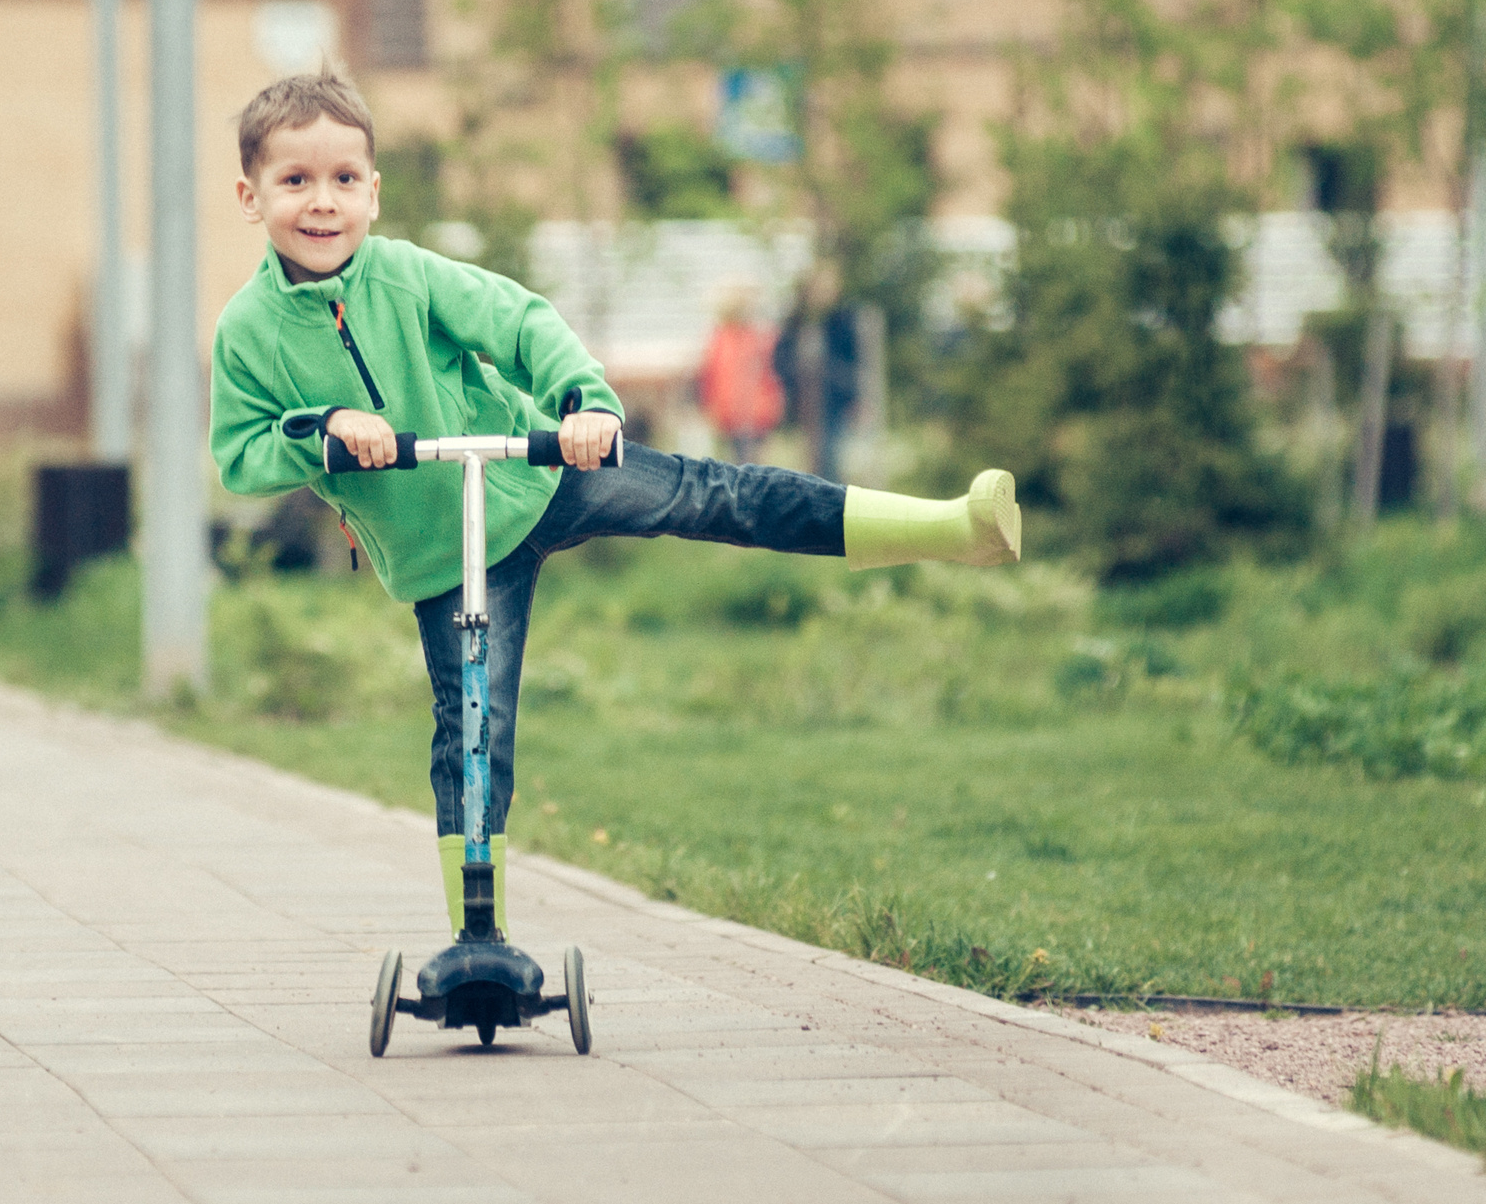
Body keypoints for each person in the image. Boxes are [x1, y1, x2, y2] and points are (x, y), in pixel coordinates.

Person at [208, 72, 1021, 938]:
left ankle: (945, 526)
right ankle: (477, 938)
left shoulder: (410, 277)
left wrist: (583, 400)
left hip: (538, 473)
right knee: (473, 732)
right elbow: (240, 455)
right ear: (250, 196)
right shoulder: (248, 331)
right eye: (295, 181)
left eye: (343, 179)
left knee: (714, 495)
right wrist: (323, 429)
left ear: (375, 190)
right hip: (447, 557)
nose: (322, 202)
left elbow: (520, 323)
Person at [696, 282, 785, 465]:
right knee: (735, 464)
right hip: (729, 414)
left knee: (753, 464)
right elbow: (710, 376)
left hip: (757, 413)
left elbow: (772, 373)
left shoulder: (761, 336)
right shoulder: (721, 337)